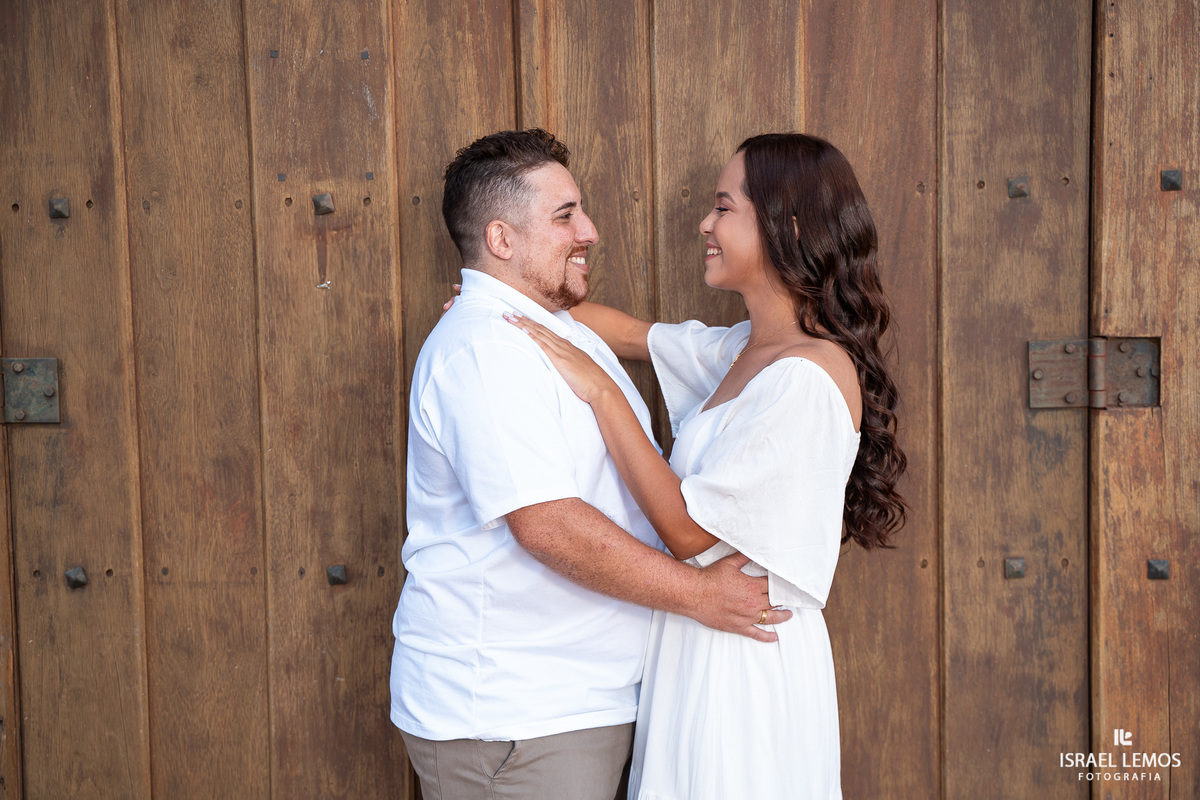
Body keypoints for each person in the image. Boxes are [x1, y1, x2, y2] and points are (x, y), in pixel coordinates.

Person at [389, 128, 793, 800]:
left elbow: (632, 337)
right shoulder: (486, 353)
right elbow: (549, 526)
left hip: (568, 708)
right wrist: (698, 595)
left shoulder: (551, 328)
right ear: (501, 241)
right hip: (516, 722)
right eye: (564, 216)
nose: (590, 231)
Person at [506, 133, 907, 799]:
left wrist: (603, 394)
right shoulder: (744, 350)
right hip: (701, 637)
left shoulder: (804, 380)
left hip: (746, 659)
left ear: (790, 227)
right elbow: (627, 333)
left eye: (724, 208)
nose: (705, 225)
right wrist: (510, 310)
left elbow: (689, 532)